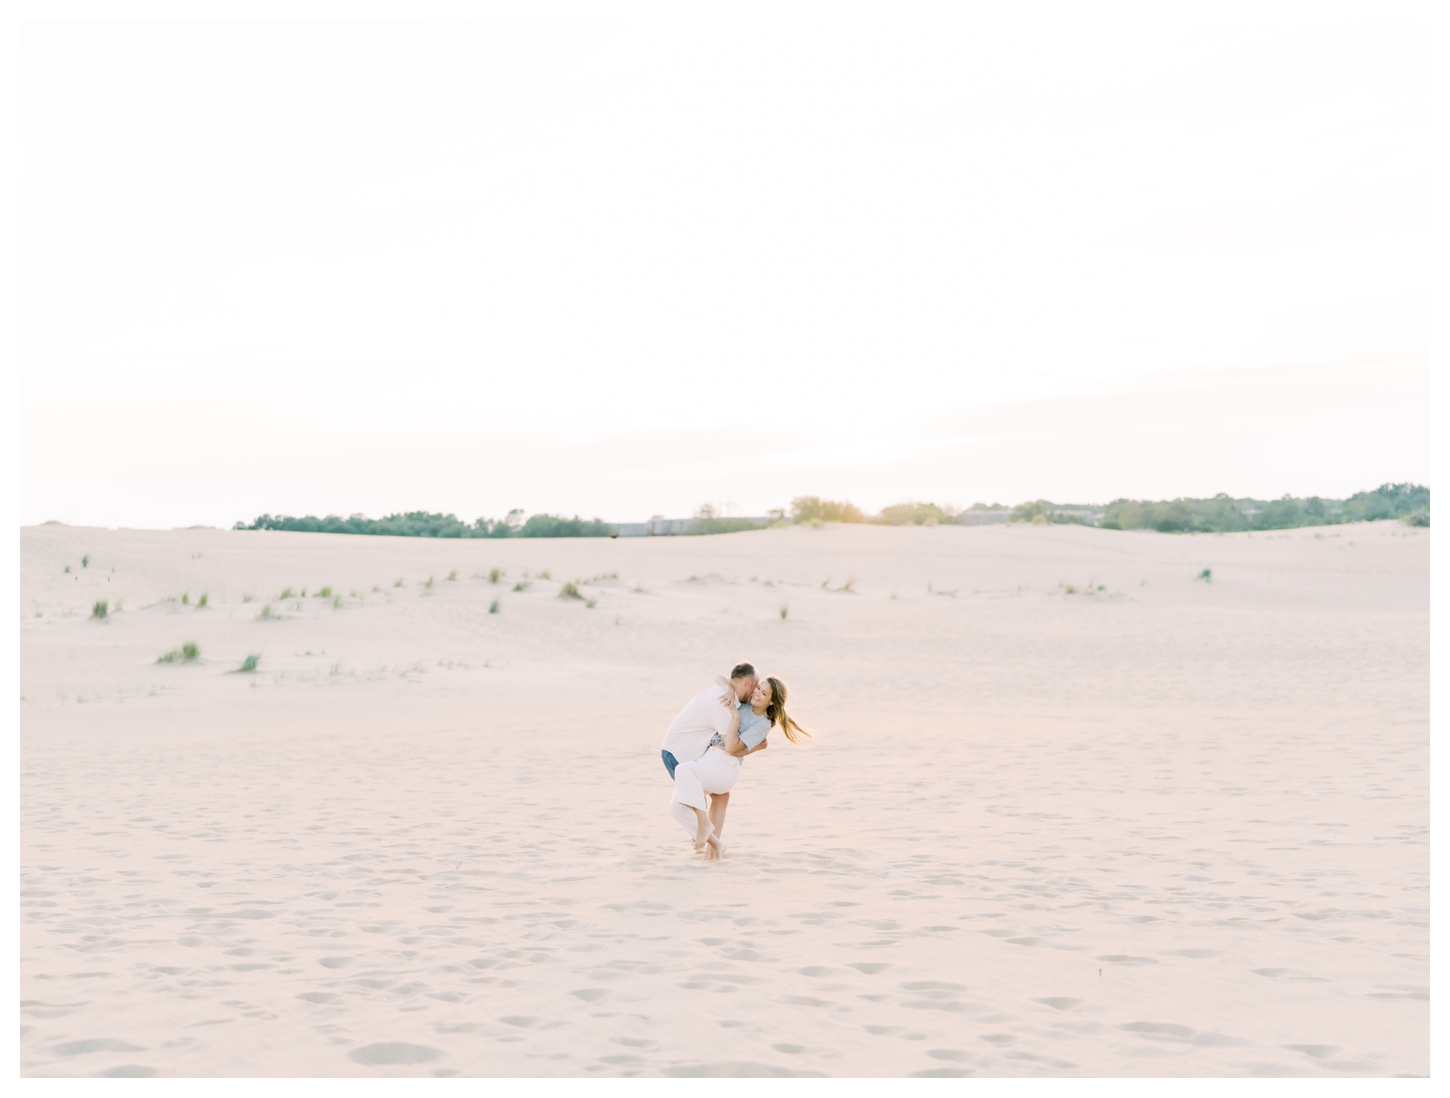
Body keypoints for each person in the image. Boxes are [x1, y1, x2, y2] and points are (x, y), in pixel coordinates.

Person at [668, 672, 812, 859]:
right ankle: (716, 844)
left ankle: (703, 825)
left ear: (771, 702)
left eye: (764, 693)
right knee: (675, 807)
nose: (757, 693)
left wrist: (735, 718)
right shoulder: (744, 703)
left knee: (683, 770)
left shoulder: (762, 724)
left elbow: (731, 748)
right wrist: (729, 689)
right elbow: (719, 677)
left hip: (726, 767)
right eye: (759, 688)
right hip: (706, 759)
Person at [660, 663, 763, 849]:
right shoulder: (724, 702)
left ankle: (706, 842)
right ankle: (709, 841)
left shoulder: (722, 691)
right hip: (679, 753)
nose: (756, 690)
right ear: (748, 681)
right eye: (756, 685)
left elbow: (719, 676)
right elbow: (730, 747)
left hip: (677, 749)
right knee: (694, 797)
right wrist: (756, 744)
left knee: (718, 795)